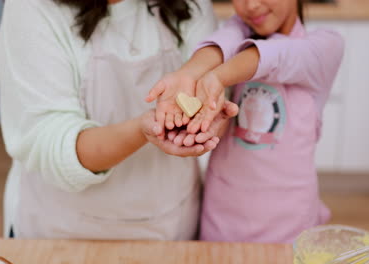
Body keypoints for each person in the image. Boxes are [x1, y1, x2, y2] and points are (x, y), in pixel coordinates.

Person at [0, 0, 237, 239]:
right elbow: (49, 140)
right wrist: (143, 130)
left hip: (172, 226)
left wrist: (209, 116)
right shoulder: (31, 7)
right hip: (63, 232)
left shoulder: (191, 4)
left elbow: (212, 87)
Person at [146, 0, 344, 242]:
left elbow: (277, 55)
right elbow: (222, 43)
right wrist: (188, 73)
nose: (250, 5)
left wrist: (218, 76)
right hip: (219, 225)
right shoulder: (237, 29)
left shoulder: (325, 46)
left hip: (288, 229)